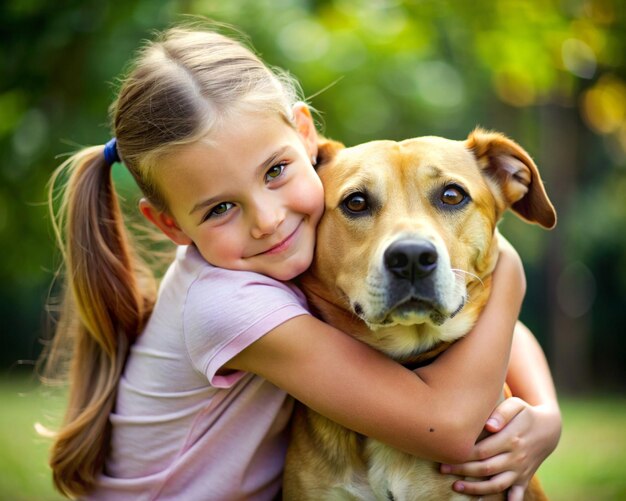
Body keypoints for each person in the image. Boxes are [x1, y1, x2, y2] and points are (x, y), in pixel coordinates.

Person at [42, 23, 560, 501]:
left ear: (304, 139)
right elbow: (447, 426)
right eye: (358, 204)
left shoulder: (291, 251)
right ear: (172, 225)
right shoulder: (233, 297)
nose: (267, 219)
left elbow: (505, 332)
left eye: (449, 197)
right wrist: (506, 268)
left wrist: (543, 416)